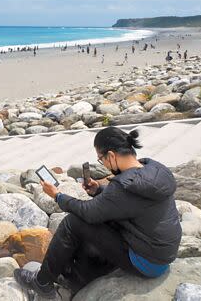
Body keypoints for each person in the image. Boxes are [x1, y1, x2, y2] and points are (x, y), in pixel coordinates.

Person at [14, 127, 181, 297]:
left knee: (73, 223)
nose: (104, 164)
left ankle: (42, 282)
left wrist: (57, 196)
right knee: (103, 220)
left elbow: (88, 212)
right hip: (161, 255)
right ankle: (80, 276)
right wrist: (99, 190)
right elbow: (130, 203)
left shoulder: (124, 185)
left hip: (147, 262)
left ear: (111, 155)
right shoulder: (153, 169)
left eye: (101, 159)